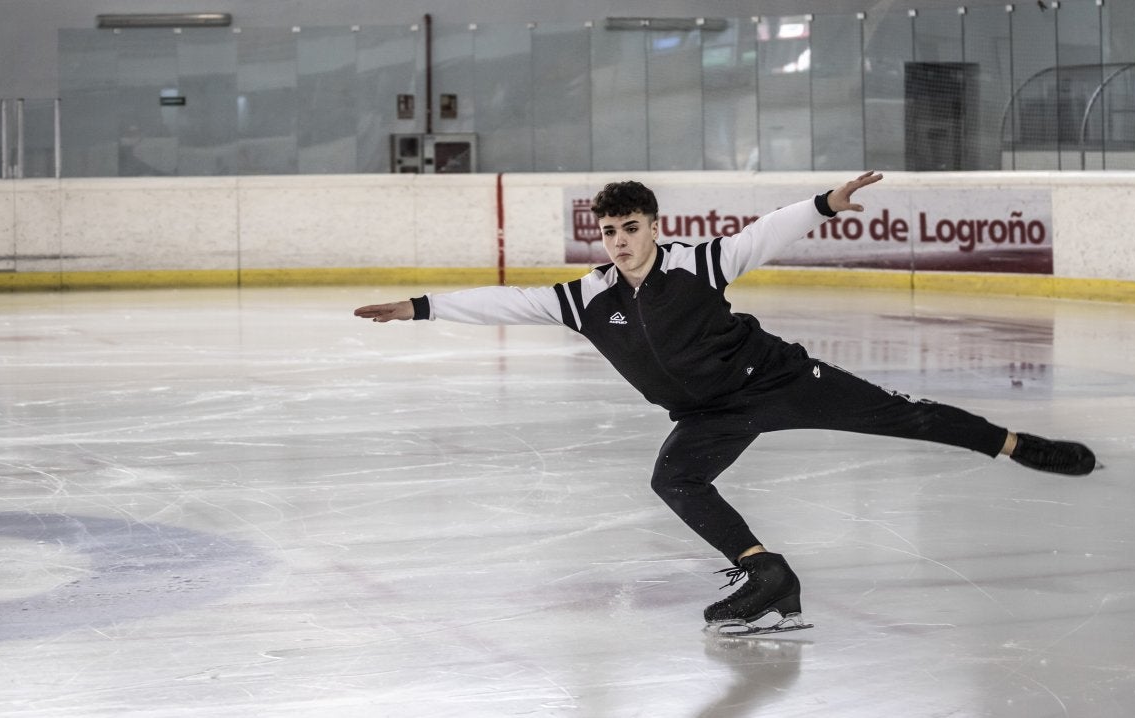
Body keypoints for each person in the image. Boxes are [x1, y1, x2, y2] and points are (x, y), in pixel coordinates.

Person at [354, 172, 1097, 635]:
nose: (619, 243)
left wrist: (825, 205)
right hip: (707, 417)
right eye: (608, 233)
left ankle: (1015, 445)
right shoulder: (587, 298)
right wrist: (418, 308)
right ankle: (765, 571)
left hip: (778, 381)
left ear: (655, 226)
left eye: (631, 229)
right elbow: (505, 303)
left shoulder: (700, 262)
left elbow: (764, 233)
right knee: (674, 479)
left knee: (906, 414)